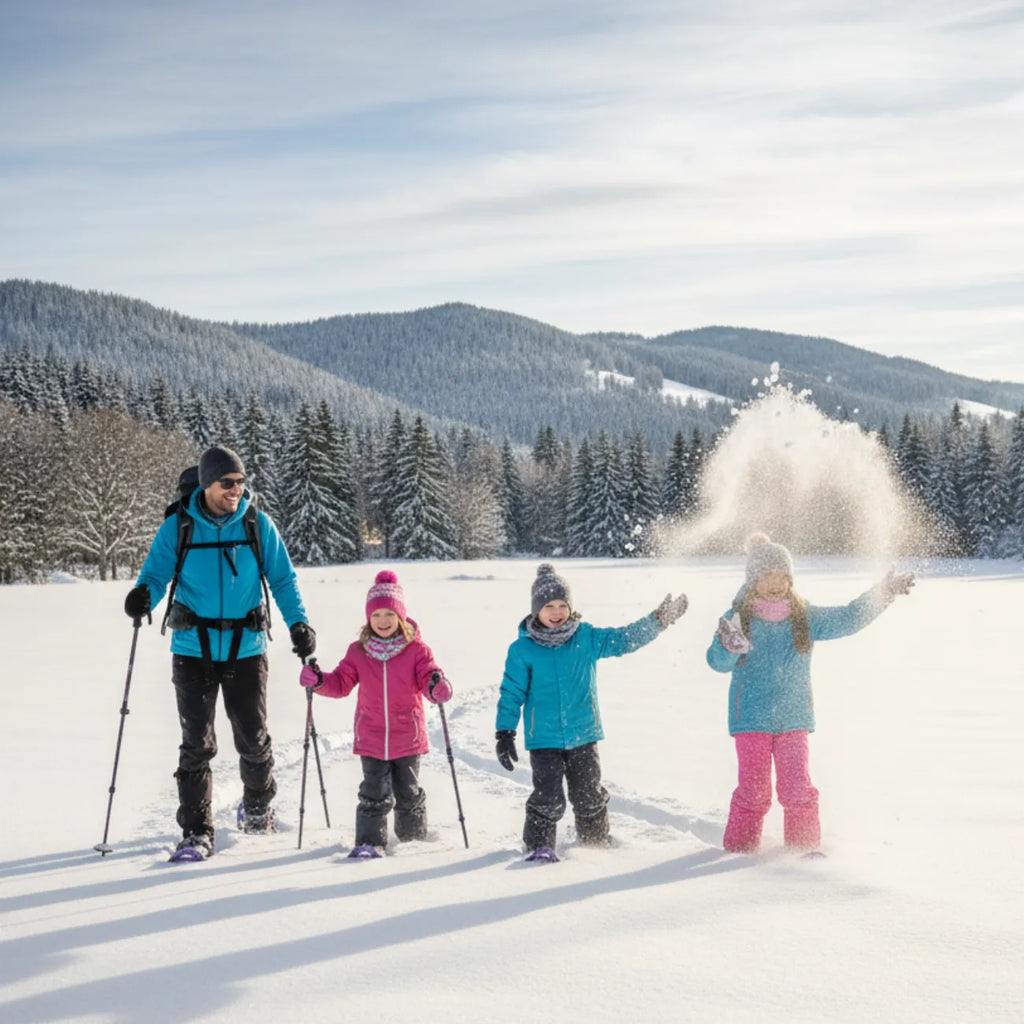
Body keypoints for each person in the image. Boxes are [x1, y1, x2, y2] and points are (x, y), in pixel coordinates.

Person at [124, 445, 316, 859]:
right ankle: (196, 830)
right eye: (227, 482)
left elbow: (283, 580)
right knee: (196, 742)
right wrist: (143, 597)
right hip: (192, 647)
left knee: (253, 738)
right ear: (207, 484)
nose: (236, 489)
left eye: (241, 482)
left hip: (247, 647)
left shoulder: (257, 525)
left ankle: (258, 809)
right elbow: (155, 575)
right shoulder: (178, 527)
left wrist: (299, 624)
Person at [707, 533, 914, 855]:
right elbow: (717, 663)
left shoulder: (804, 616)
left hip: (794, 717)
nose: (775, 584)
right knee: (754, 792)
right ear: (753, 581)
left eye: (782, 577)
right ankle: (739, 853)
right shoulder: (738, 618)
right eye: (767, 577)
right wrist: (728, 646)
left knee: (797, 788)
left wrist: (882, 594)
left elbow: (848, 618)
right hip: (750, 717)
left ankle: (801, 853)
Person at [495, 563, 688, 857]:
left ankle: (595, 846)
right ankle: (539, 848)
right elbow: (511, 693)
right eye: (549, 606)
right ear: (536, 610)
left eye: (563, 605)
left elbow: (623, 639)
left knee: (588, 795)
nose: (557, 612)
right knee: (548, 798)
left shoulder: (585, 637)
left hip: (583, 733)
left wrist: (657, 621)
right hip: (543, 739)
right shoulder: (522, 650)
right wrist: (505, 732)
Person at [299, 569, 452, 856]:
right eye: (377, 615)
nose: (383, 621)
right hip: (371, 736)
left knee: (408, 793)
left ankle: (412, 843)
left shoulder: (417, 650)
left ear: (401, 616)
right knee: (373, 793)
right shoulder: (358, 651)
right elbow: (341, 683)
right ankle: (369, 843)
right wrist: (319, 681)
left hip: (407, 736)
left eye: (390, 614)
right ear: (368, 618)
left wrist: (437, 687)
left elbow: (429, 677)